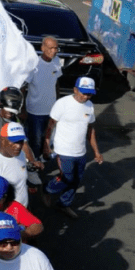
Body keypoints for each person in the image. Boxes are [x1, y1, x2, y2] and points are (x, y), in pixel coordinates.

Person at [42, 77, 102, 219]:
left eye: (89, 94)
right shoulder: (62, 104)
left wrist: (96, 152)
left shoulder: (90, 106)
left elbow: (90, 130)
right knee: (66, 177)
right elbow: (50, 125)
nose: (86, 96)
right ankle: (47, 189)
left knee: (76, 180)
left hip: (80, 151)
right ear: (75, 89)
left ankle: (64, 204)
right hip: (63, 150)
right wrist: (46, 146)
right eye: (83, 93)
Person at [24, 37, 61, 159]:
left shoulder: (57, 62)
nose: (54, 51)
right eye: (51, 48)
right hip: (35, 112)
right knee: (36, 141)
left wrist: (59, 104)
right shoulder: (34, 64)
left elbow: (56, 84)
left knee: (49, 139)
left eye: (56, 48)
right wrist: (22, 110)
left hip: (52, 111)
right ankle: (33, 164)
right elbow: (23, 87)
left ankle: (43, 162)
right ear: (42, 48)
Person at [0, 123, 30, 207]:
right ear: (2, 140)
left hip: (23, 209)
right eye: (14, 141)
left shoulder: (21, 154)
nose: (18, 146)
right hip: (7, 214)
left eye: (21, 141)